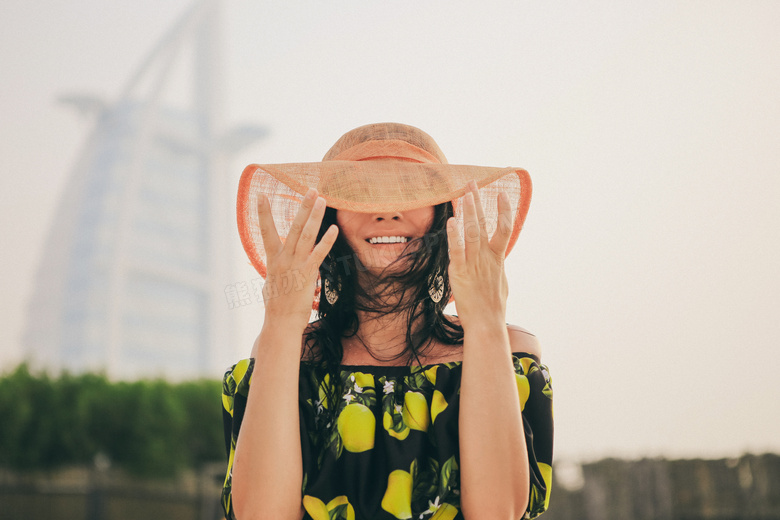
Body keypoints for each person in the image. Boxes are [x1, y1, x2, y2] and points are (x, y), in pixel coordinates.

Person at [221, 123, 553, 520]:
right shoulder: (287, 354)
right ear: (331, 220)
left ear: (442, 215)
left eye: (413, 191)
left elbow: (498, 512)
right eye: (360, 192)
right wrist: (279, 320)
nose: (387, 210)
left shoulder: (508, 352)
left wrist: (485, 321)